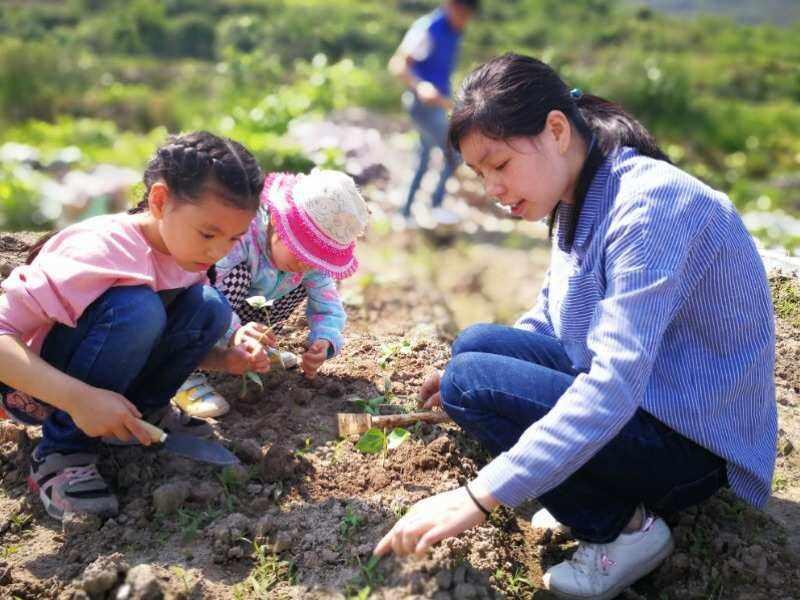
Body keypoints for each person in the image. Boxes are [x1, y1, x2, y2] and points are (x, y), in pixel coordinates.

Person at [374, 53, 776, 600]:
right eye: (479, 174)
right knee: (473, 353)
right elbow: (550, 315)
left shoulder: (649, 207)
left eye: (498, 164)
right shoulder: (577, 191)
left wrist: (476, 497)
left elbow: (613, 385)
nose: (492, 187)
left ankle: (622, 530)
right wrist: (490, 375)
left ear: (556, 130)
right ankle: (583, 488)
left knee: (473, 383)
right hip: (652, 401)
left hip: (692, 442)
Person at [0, 131, 273, 521]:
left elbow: (161, 338)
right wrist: (78, 400)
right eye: (208, 233)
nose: (218, 250)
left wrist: (224, 360)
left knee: (208, 307)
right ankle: (63, 451)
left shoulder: (185, 254)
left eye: (233, 238)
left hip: (96, 377)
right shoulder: (99, 250)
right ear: (160, 201)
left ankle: (142, 415)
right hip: (40, 390)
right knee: (138, 309)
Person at [172, 169, 369, 418]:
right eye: (301, 253)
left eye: (315, 260)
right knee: (235, 279)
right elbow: (205, 289)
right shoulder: (242, 235)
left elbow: (328, 307)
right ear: (277, 222)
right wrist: (233, 332)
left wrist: (325, 341)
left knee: (302, 283)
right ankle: (184, 372)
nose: (305, 264)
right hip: (204, 309)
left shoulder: (309, 268)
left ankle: (252, 350)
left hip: (247, 313)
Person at [389, 0, 478, 228]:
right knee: (455, 151)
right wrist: (420, 86)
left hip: (439, 104)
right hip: (422, 105)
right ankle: (435, 206)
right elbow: (398, 64)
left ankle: (406, 213)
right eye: (464, 14)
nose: (465, 20)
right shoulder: (428, 28)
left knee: (423, 157)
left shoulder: (453, 31)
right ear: (453, 6)